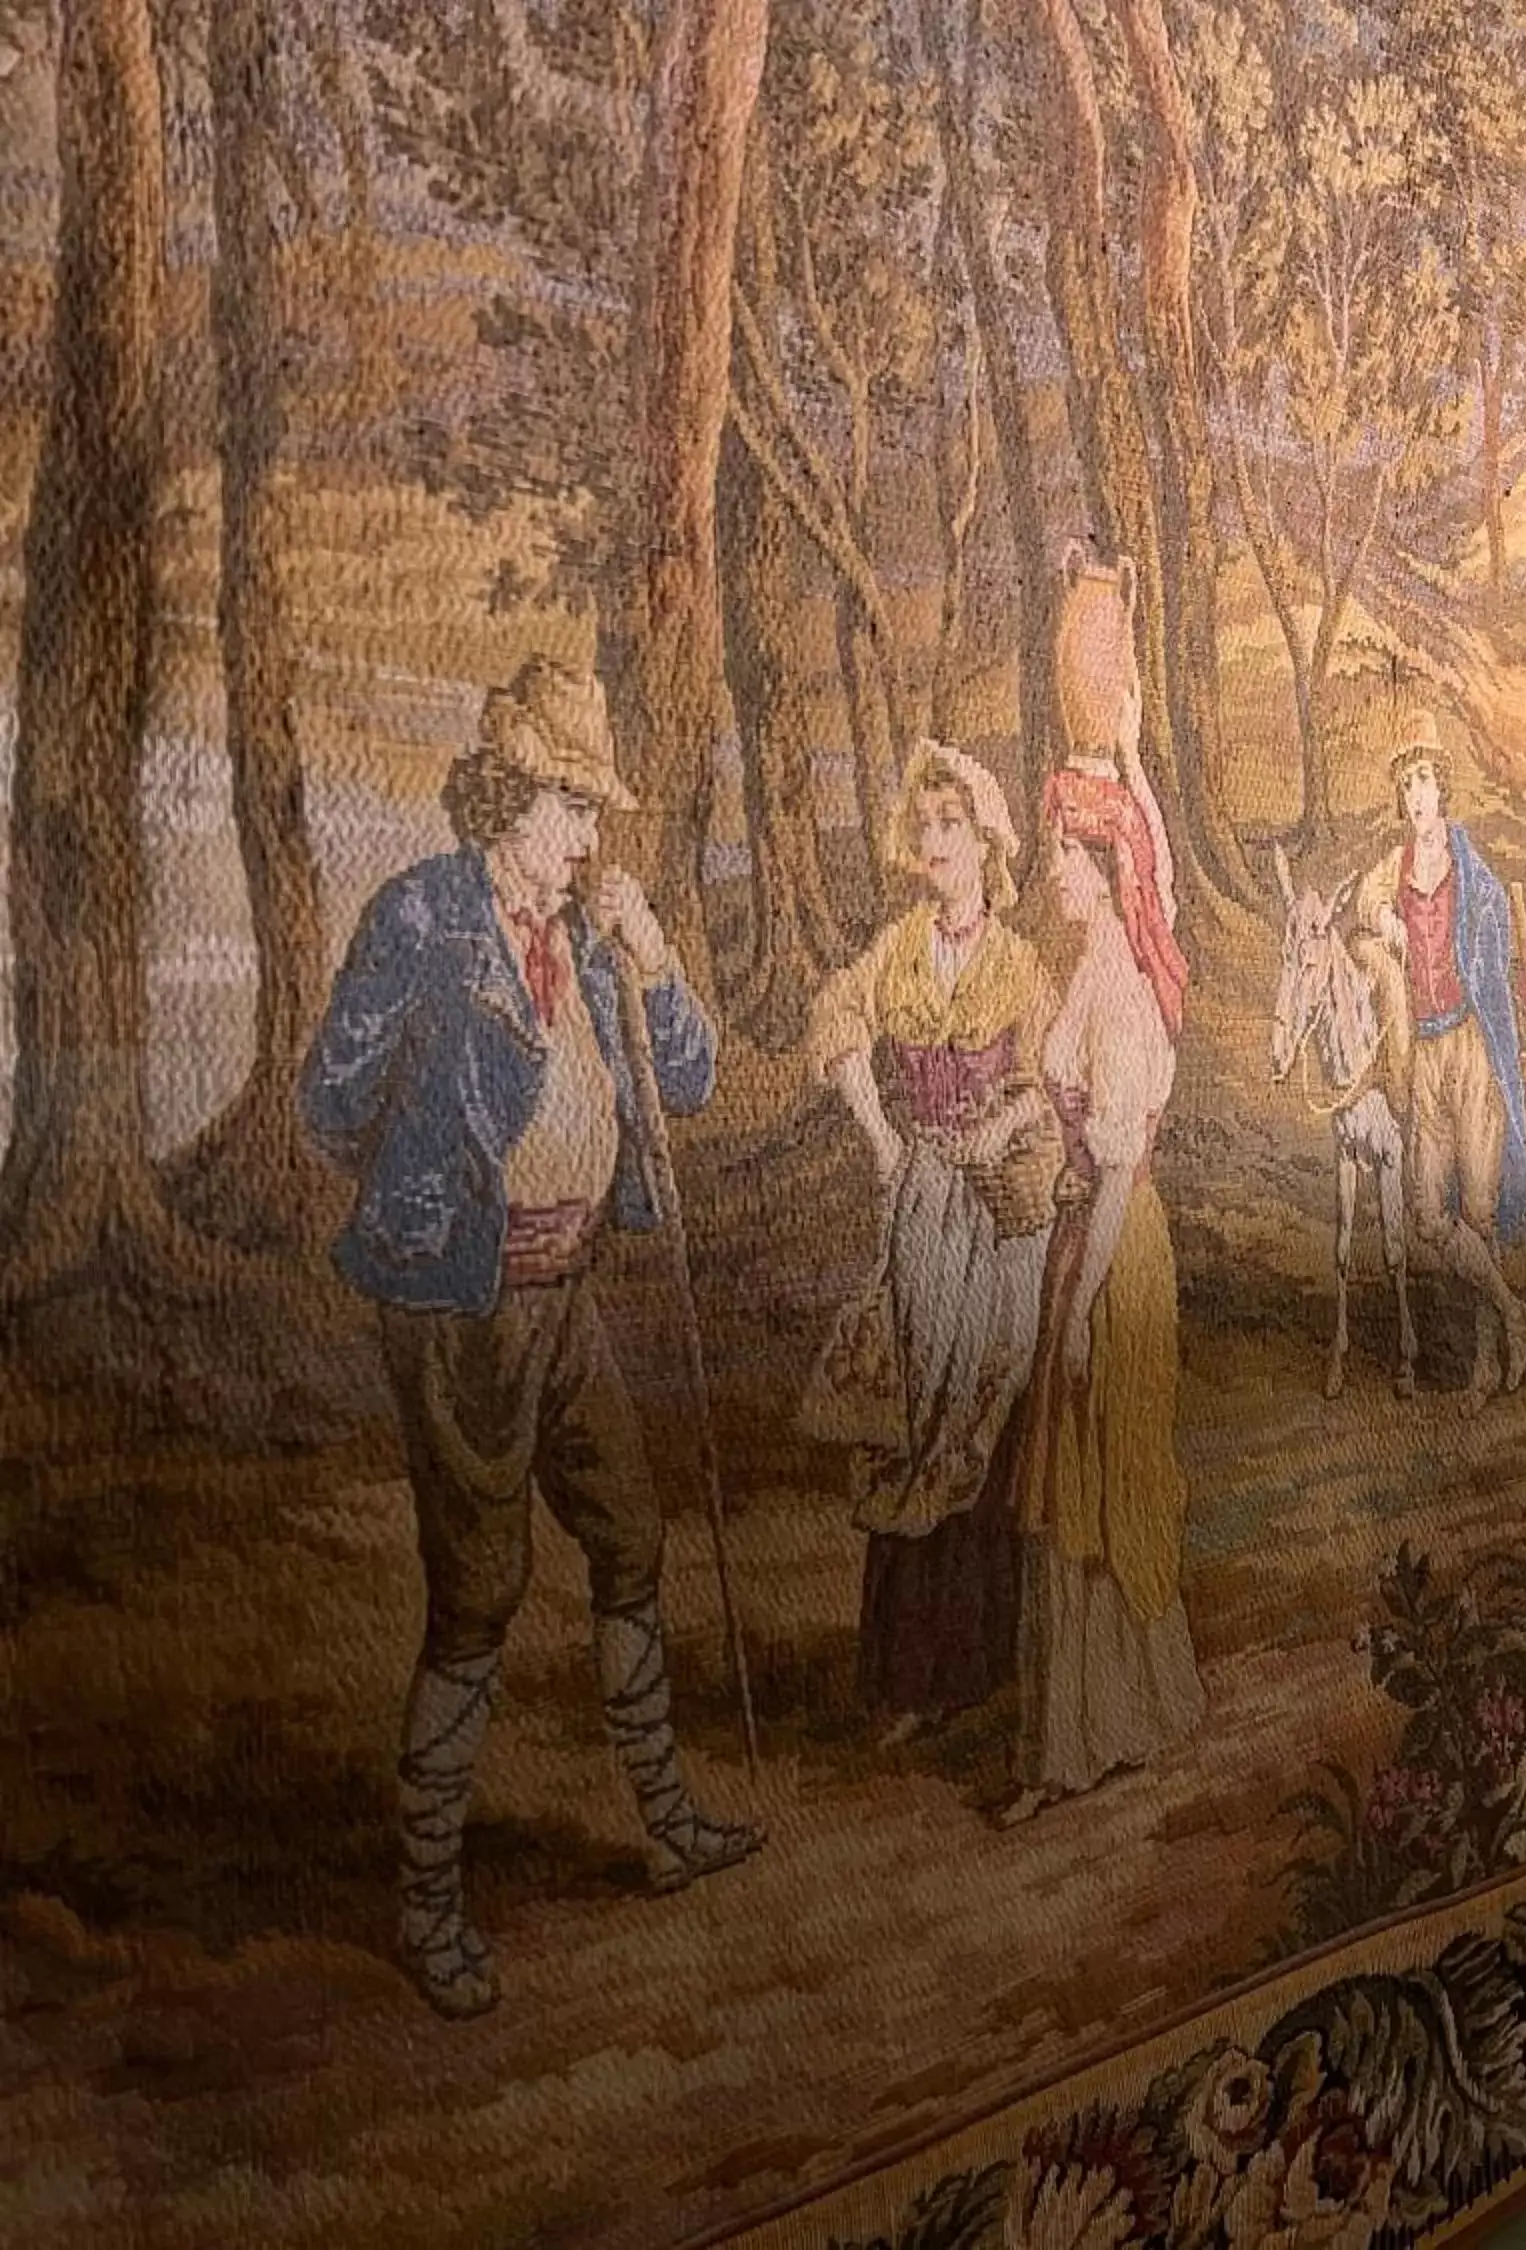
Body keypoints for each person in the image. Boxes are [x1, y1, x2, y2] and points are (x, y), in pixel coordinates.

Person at [299, 655, 762, 2022]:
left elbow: (687, 1079)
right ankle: (430, 1900)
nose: (587, 835)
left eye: (592, 807)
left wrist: (656, 957)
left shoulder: (594, 929)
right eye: (570, 803)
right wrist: (431, 1193)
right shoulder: (422, 918)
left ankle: (667, 1815)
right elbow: (331, 1101)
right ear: (507, 795)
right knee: (480, 1589)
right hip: (460, 1307)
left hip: (569, 1295)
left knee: (629, 1533)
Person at [799, 741, 1061, 1746]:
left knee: (974, 1419)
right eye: (929, 825)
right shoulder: (899, 949)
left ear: (988, 845)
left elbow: (1052, 1078)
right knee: (907, 1413)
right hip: (921, 1208)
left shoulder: (1017, 965)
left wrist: (1002, 1126)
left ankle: (971, 1663)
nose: (937, 842)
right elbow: (836, 1022)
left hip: (996, 1221)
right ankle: (903, 1675)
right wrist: (879, 1135)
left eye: (955, 826)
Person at [1001, 762, 1202, 1815]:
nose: (1052, 872)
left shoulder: (1125, 994)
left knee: (1100, 1472)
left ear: (1102, 867)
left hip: (1119, 1257)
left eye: (1064, 856)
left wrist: (1080, 1312)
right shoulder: (1089, 966)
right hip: (1084, 1240)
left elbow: (1121, 1164)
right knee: (1071, 1475)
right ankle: (1095, 1726)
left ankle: (1090, 1737)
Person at [1355, 714, 1526, 1412]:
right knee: (1429, 1216)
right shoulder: (1394, 869)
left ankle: (1485, 1366)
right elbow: (1363, 904)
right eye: (1406, 786)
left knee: (1479, 1213)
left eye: (1425, 781)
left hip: (1471, 1047)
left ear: (1442, 787)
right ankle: (1513, 1309)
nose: (1416, 798)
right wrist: (1384, 920)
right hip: (1425, 1051)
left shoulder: (1469, 865)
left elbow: (1498, 934)